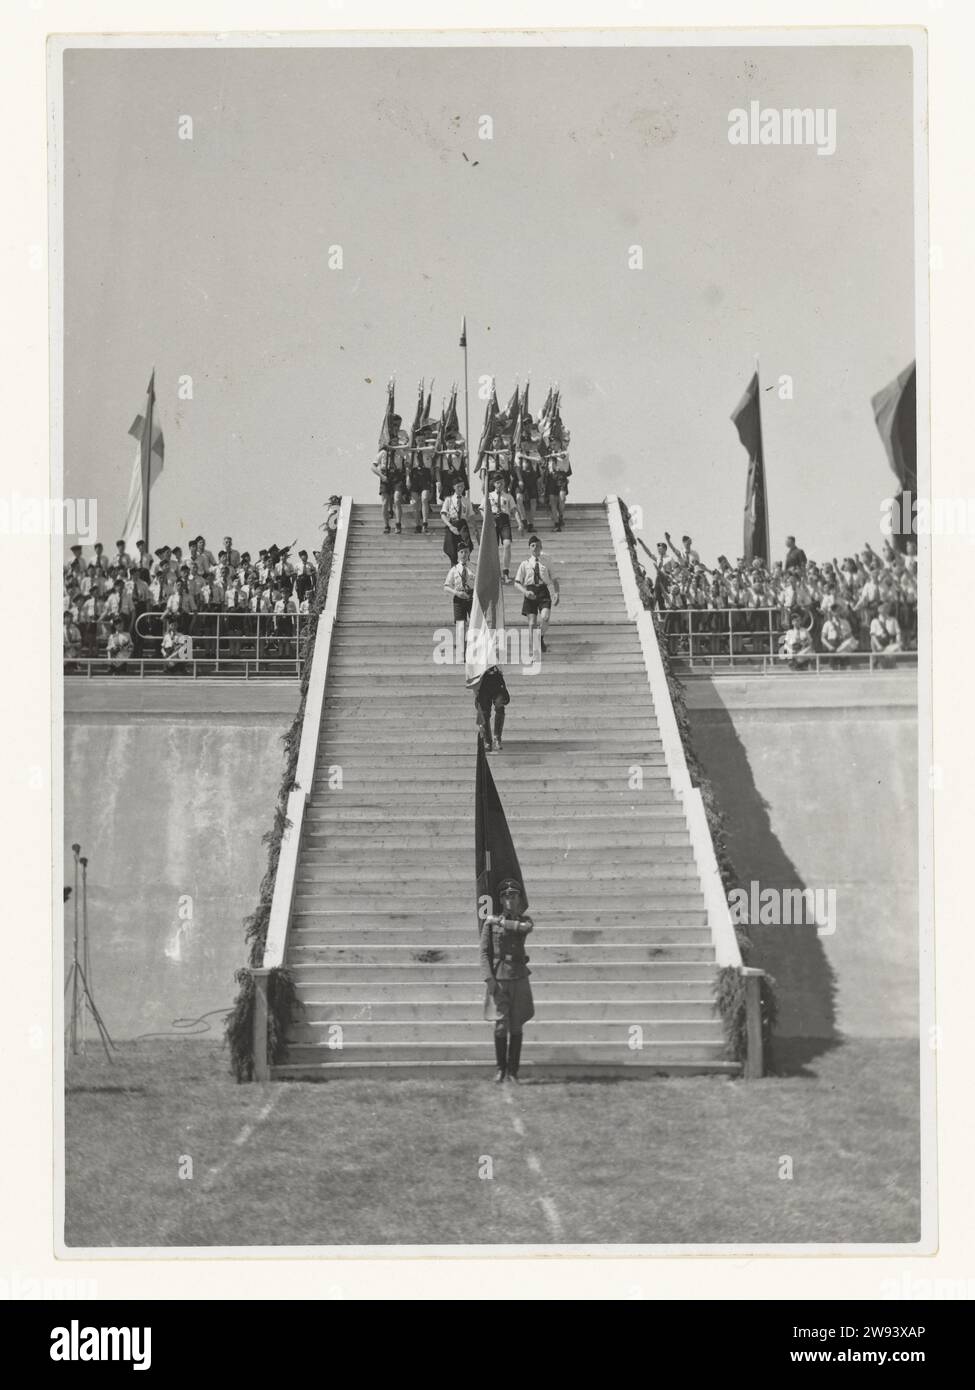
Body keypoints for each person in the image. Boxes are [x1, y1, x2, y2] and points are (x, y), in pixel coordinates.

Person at [479, 879, 534, 1083]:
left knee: (517, 1025)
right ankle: (500, 1069)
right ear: (501, 900)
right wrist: (488, 978)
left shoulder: (524, 920)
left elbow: (525, 929)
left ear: (519, 899)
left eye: (514, 896)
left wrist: (500, 922)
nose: (510, 900)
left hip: (519, 976)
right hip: (500, 976)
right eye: (506, 896)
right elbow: (484, 952)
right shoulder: (490, 923)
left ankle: (513, 1072)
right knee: (501, 1025)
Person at [513, 535, 560, 653]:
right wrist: (525, 592)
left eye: (538, 545)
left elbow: (554, 579)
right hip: (530, 591)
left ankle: (540, 636)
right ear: (529, 548)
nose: (535, 547)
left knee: (545, 617)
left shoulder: (547, 561)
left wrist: (557, 593)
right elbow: (517, 583)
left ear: (541, 547)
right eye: (533, 545)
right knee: (532, 622)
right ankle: (534, 648)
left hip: (543, 591)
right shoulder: (525, 564)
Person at [488, 474, 518, 583]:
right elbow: (482, 509)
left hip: (504, 521)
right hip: (493, 520)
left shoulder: (508, 496)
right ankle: (495, 573)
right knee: (493, 548)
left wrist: (519, 523)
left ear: (504, 483)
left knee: (507, 544)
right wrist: (488, 519)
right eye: (497, 483)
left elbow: (514, 510)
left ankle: (506, 572)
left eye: (501, 482)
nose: (499, 485)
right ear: (494, 484)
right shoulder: (489, 495)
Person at [475, 663, 510, 753]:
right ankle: (487, 741)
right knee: (484, 712)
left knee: (499, 706)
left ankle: (497, 738)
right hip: (483, 679)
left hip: (496, 678)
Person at [441, 478, 475, 566]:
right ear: (454, 487)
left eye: (462, 486)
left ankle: (465, 565)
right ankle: (454, 568)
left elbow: (471, 515)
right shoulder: (449, 500)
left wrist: (475, 529)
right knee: (452, 548)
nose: (460, 489)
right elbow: (443, 515)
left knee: (467, 544)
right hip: (452, 523)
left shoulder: (466, 500)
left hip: (462, 524)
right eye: (458, 486)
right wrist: (450, 526)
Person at [444, 542, 474, 636]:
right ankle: (461, 648)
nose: (463, 554)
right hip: (459, 598)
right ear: (458, 554)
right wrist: (456, 593)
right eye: (461, 552)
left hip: (472, 598)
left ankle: (474, 645)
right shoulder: (454, 569)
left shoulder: (474, 567)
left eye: (466, 552)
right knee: (460, 625)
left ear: (469, 553)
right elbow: (446, 586)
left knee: (475, 623)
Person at [407, 450, 434, 533]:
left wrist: (432, 481)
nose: (420, 442)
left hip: (425, 476)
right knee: (415, 502)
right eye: (418, 440)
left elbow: (434, 449)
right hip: (414, 476)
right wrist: (407, 479)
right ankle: (417, 525)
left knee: (424, 499)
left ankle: (425, 524)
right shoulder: (411, 453)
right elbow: (407, 468)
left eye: (422, 440)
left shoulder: (428, 451)